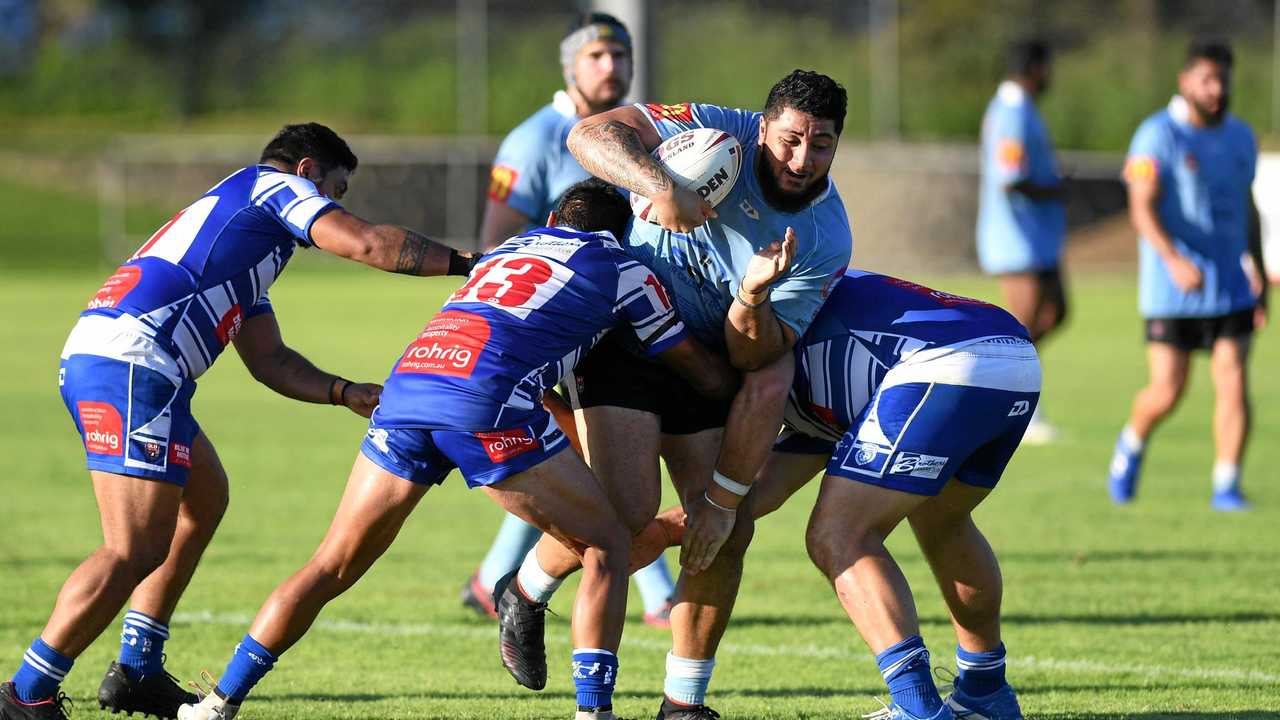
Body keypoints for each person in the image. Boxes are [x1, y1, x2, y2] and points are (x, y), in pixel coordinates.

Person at [176, 180, 739, 720]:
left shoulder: (508, 251)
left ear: (550, 222)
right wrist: (749, 379)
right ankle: (593, 712)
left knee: (331, 563)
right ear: (623, 235)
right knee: (609, 542)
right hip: (482, 403)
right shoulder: (625, 267)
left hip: (407, 389)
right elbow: (691, 365)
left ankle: (218, 703)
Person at [0, 123, 478, 720]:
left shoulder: (246, 247)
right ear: (306, 171)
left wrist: (342, 391)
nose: (335, 204)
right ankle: (25, 693)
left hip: (131, 364)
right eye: (334, 189)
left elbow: (270, 361)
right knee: (133, 548)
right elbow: (365, 244)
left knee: (204, 499)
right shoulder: (269, 186)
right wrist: (469, 264)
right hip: (131, 362)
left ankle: (137, 668)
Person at [498, 70, 852, 719]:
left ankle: (682, 704)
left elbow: (756, 354)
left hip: (709, 359)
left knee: (726, 526)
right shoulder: (715, 126)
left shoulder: (826, 238)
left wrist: (751, 296)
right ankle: (525, 587)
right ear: (762, 125)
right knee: (625, 513)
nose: (802, 160)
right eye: (791, 140)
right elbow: (589, 134)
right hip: (627, 335)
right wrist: (661, 186)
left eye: (821, 145)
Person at [461, 10, 679, 629]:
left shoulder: (641, 132)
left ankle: (493, 582)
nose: (611, 67)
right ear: (570, 67)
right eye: (596, 57)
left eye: (621, 56)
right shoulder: (533, 142)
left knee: (586, 463)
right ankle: (657, 592)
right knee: (608, 465)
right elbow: (496, 241)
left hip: (629, 322)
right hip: (560, 332)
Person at [1107, 39, 1267, 511]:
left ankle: (1226, 484)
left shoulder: (1241, 137)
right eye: (1207, 80)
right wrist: (1173, 259)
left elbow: (1248, 206)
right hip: (1172, 291)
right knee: (1167, 391)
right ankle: (1130, 446)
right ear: (1186, 82)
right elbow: (1141, 207)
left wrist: (1257, 265)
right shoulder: (1156, 135)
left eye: (1223, 80)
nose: (1216, 89)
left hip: (1232, 287)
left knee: (1233, 379)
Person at [976, 38, 1067, 445]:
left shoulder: (1024, 109)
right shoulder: (1011, 112)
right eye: (1048, 66)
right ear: (1035, 68)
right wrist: (1053, 189)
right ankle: (1014, 409)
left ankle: (1011, 392)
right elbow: (1011, 177)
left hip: (1038, 238)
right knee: (1025, 326)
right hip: (1015, 238)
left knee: (1056, 312)